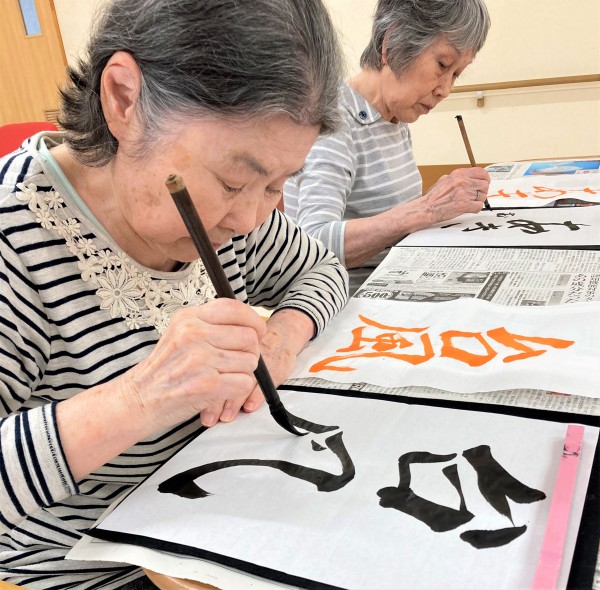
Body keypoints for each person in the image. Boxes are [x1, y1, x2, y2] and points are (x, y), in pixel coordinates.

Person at [0, 0, 349, 587]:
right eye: (233, 182)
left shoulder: (240, 217)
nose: (250, 218)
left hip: (209, 518)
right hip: (89, 570)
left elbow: (321, 269)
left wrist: (283, 337)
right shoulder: (15, 238)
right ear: (123, 99)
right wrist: (140, 397)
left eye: (277, 185)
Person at [285, 0, 492, 295]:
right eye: (442, 65)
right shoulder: (334, 120)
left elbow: (394, 214)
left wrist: (435, 204)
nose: (444, 90)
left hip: (399, 283)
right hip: (348, 303)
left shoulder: (393, 116)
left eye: (456, 74)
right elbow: (314, 242)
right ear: (392, 43)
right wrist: (427, 208)